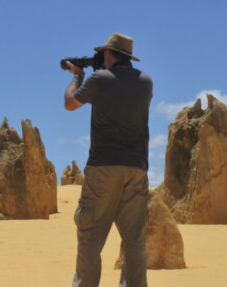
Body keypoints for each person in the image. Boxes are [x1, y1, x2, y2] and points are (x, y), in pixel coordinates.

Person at [63, 32, 153, 287]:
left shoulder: (99, 79)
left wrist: (77, 77)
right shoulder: (146, 82)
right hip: (137, 168)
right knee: (134, 238)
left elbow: (70, 103)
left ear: (110, 54)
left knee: (90, 233)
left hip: (103, 167)